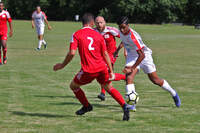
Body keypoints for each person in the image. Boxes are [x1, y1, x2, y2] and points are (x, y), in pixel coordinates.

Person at [53, 13, 130, 121]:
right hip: (102, 68)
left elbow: (72, 53)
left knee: (73, 86)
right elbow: (105, 54)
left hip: (88, 70)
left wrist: (62, 65)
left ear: (83, 23)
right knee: (109, 88)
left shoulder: (76, 34)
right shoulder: (98, 35)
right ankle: (124, 106)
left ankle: (87, 106)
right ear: (92, 23)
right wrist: (111, 71)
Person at [115, 16, 181, 108]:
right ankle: (132, 104)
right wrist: (117, 51)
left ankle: (173, 93)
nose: (121, 30)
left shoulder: (133, 36)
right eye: (120, 27)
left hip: (144, 56)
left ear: (128, 25)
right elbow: (124, 41)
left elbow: (142, 55)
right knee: (129, 77)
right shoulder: (121, 31)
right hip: (132, 56)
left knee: (155, 80)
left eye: (123, 27)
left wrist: (132, 67)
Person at [94, 16, 126, 101]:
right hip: (101, 56)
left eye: (101, 22)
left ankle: (103, 93)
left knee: (106, 73)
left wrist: (118, 50)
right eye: (97, 23)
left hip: (111, 55)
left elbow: (125, 38)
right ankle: (125, 78)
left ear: (105, 22)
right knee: (103, 74)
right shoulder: (94, 31)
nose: (99, 24)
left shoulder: (111, 30)